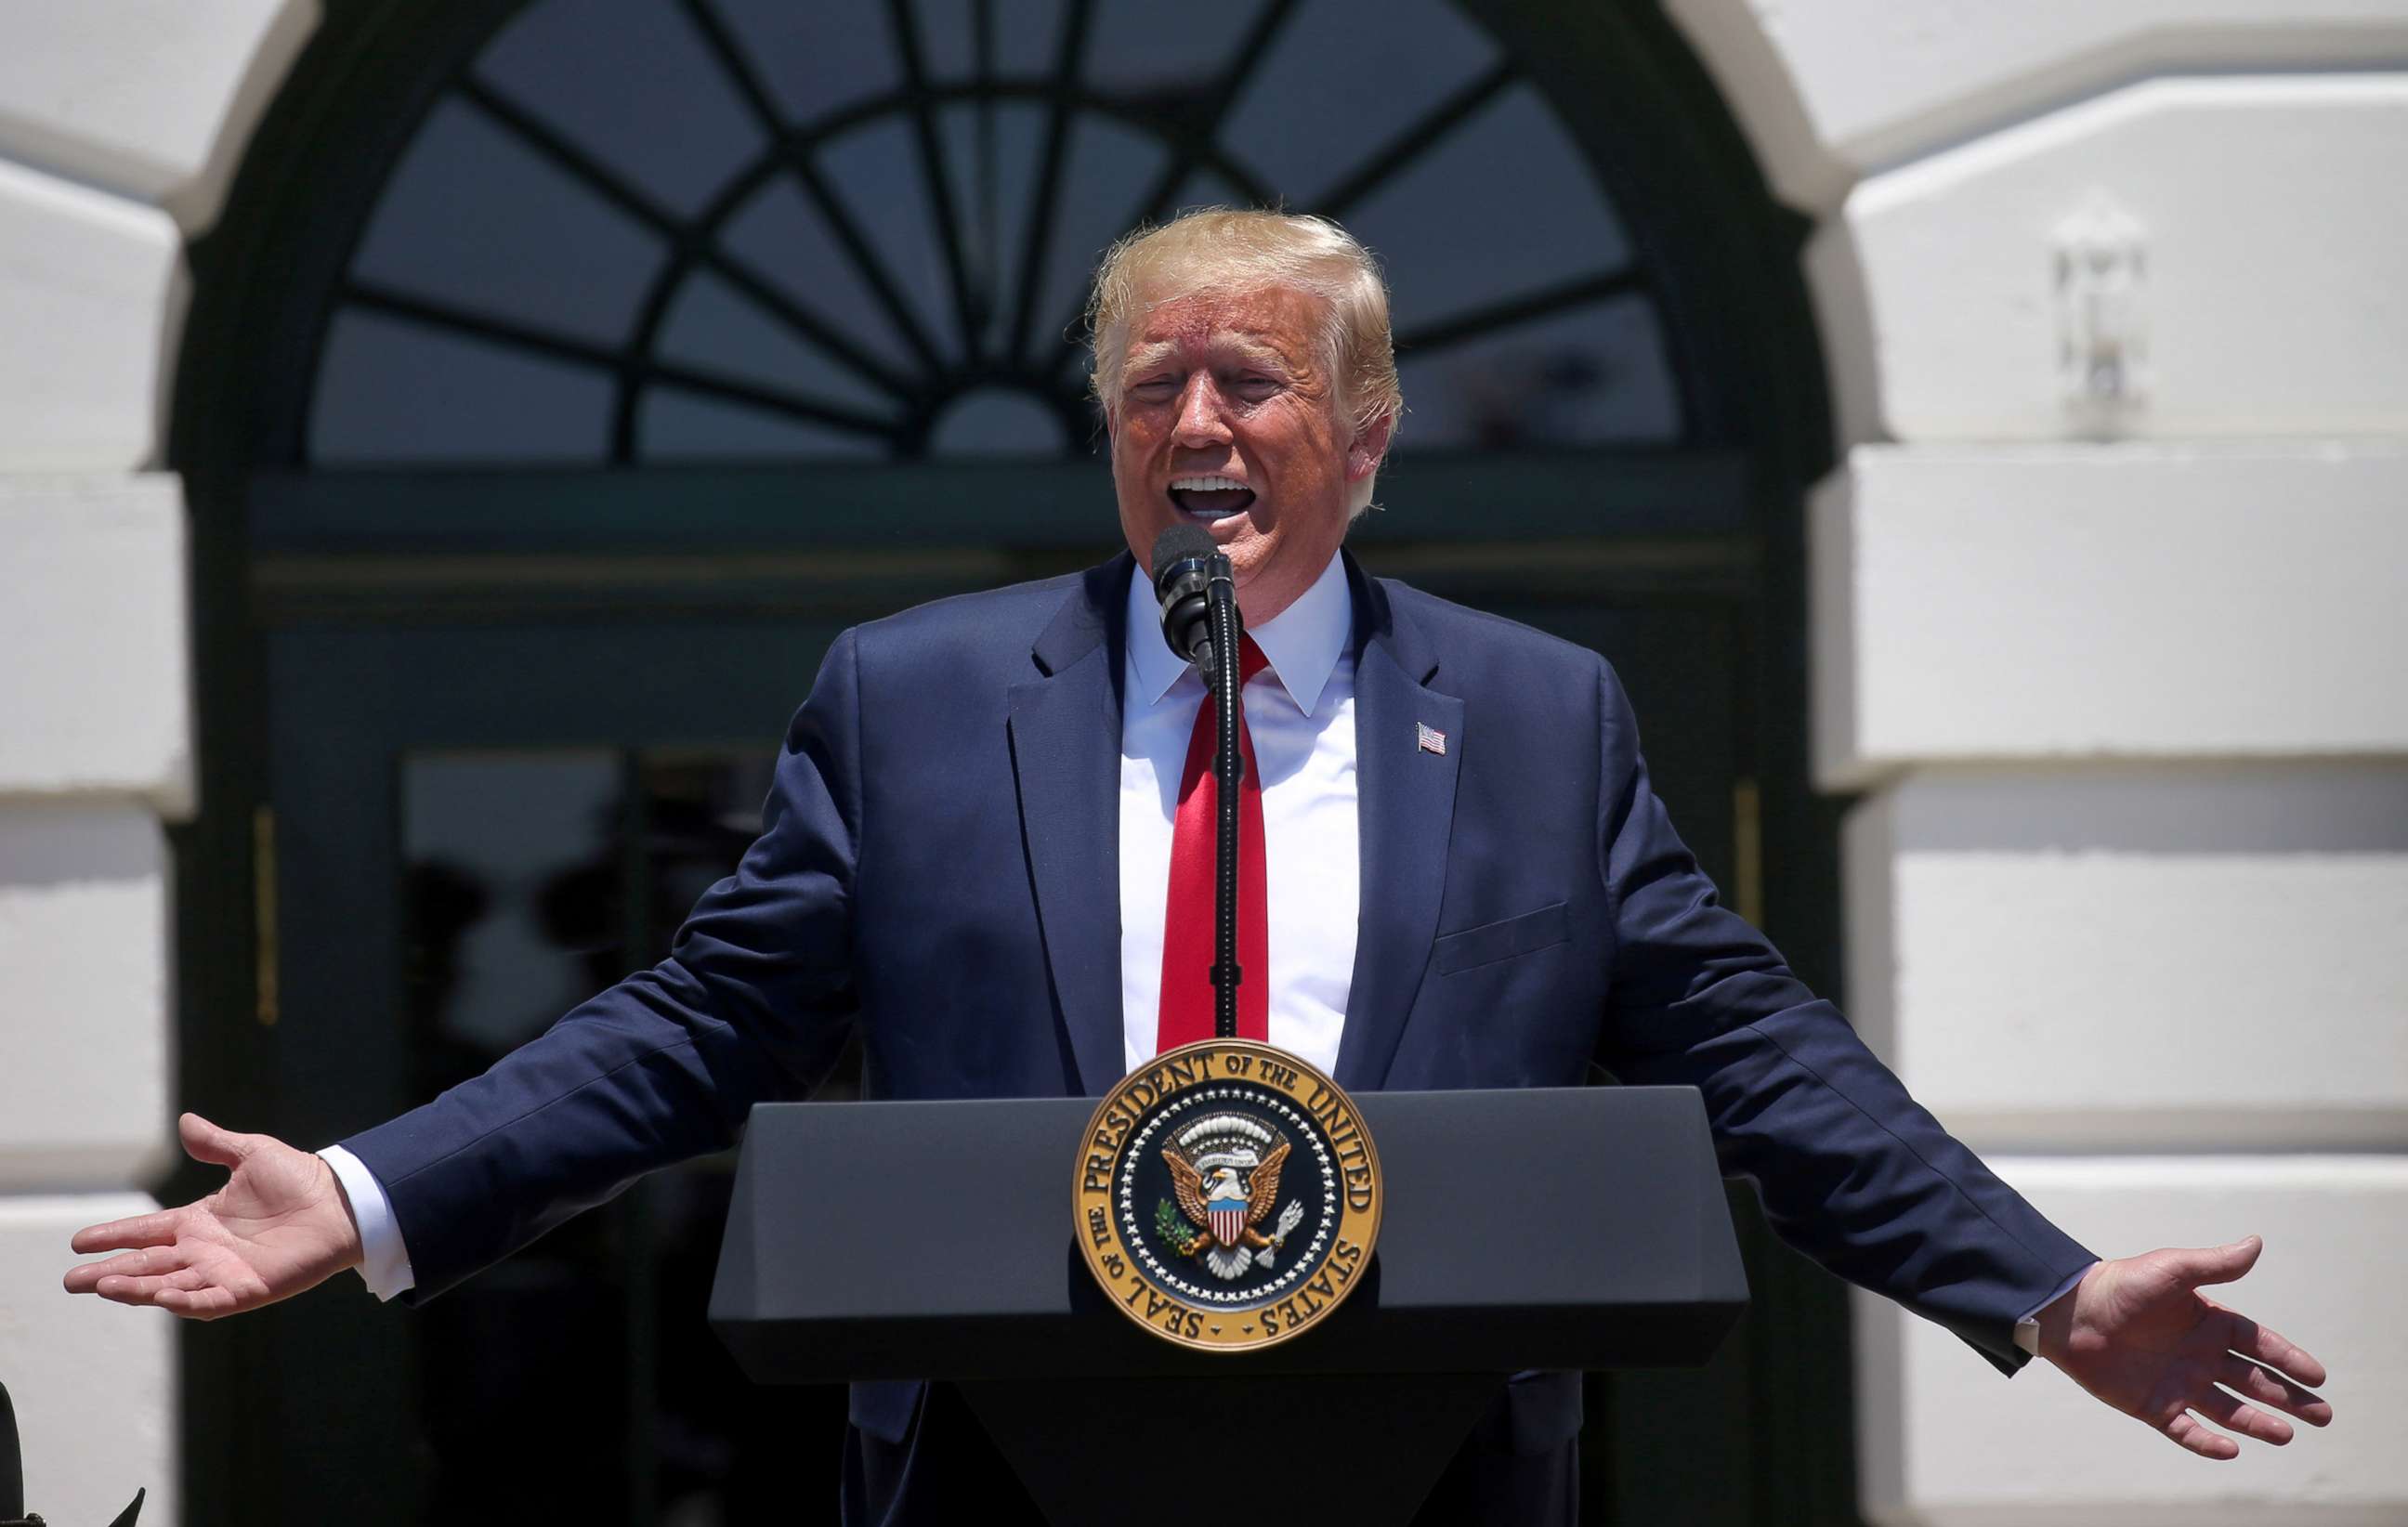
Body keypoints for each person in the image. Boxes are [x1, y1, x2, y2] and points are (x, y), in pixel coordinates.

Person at [63, 210, 2331, 1523]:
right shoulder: (928, 697)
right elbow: (695, 1027)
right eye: (1155, 389)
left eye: (1252, 384)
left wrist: (2035, 1288)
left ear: (1360, 435)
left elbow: (1754, 1053)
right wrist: (365, 1197)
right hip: (998, 1473)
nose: (1201, 428)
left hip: (1431, 1470)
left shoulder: (1532, 718)